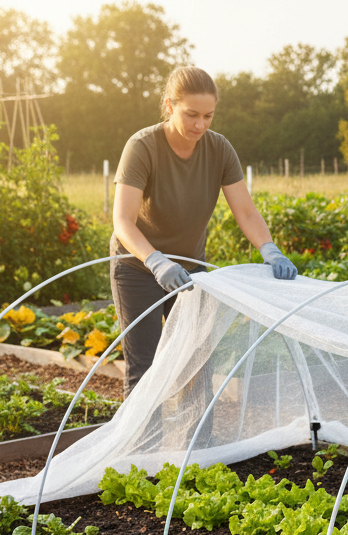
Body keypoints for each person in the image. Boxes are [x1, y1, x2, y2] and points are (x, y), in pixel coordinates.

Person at [110, 66, 297, 397]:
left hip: (189, 267)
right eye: (191, 114)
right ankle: (142, 450)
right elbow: (123, 220)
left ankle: (197, 448)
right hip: (139, 268)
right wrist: (155, 260)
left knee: (197, 362)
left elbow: (246, 211)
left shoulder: (219, 149)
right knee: (145, 368)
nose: (200, 125)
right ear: (169, 105)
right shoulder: (142, 147)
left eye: (208, 116)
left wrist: (270, 249)